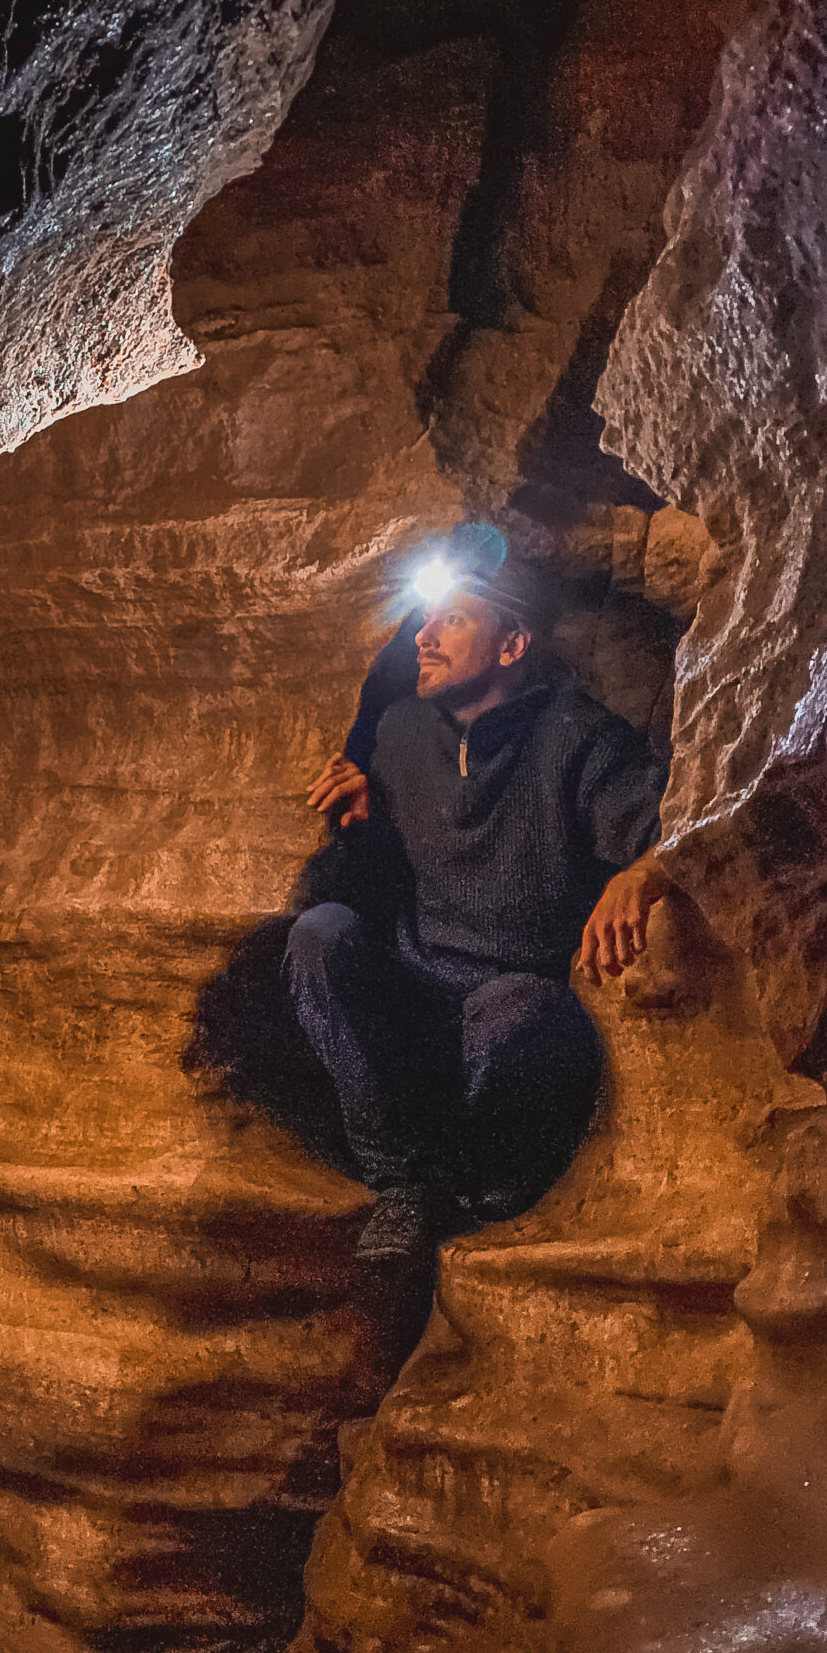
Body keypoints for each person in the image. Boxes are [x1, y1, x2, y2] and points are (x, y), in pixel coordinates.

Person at [286, 536, 670, 1257]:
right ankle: (401, 1185)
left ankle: (475, 1190)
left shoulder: (577, 736)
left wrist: (640, 871)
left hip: (513, 997)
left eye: (451, 623)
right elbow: (387, 871)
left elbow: (674, 827)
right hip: (417, 982)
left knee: (520, 1012)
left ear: (511, 644)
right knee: (320, 935)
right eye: (424, 622)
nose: (423, 638)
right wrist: (365, 820)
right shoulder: (399, 731)